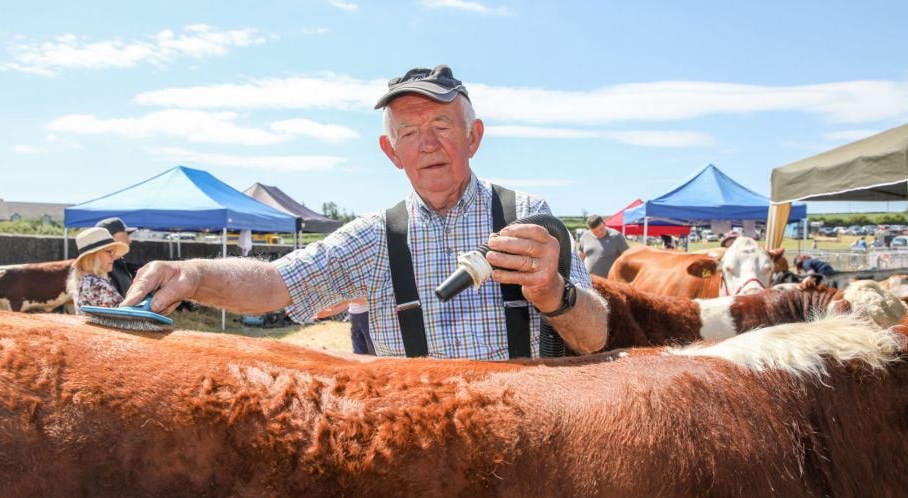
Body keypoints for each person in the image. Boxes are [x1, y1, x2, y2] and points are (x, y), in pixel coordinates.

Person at [122, 64, 608, 360]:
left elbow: (593, 339)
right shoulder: (376, 238)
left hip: (521, 449)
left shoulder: (528, 217)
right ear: (391, 152)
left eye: (441, 123)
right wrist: (195, 274)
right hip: (424, 457)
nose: (428, 144)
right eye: (410, 133)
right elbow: (276, 284)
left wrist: (554, 294)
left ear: (473, 136)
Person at [67, 227, 130, 311]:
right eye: (109, 251)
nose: (114, 257)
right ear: (93, 255)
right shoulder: (97, 285)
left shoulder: (84, 281)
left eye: (114, 252)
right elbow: (125, 315)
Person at [95, 217, 138, 297]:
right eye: (125, 237)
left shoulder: (118, 264)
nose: (129, 241)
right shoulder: (102, 270)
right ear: (109, 239)